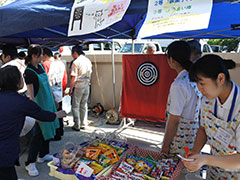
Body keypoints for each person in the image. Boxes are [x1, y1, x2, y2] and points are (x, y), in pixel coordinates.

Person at [0, 65, 66, 180]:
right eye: (21, 78)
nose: (23, 80)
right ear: (16, 82)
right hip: (5, 151)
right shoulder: (21, 101)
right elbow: (41, 114)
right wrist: (57, 114)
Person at [183, 54, 240, 179]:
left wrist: (206, 159)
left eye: (202, 83)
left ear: (220, 78)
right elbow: (203, 129)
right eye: (197, 84)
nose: (199, 88)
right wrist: (196, 152)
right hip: (213, 172)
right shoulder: (207, 100)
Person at [24, 44, 60, 176]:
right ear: (33, 56)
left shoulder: (40, 67)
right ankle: (30, 162)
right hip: (39, 105)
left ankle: (43, 154)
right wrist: (35, 113)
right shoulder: (28, 72)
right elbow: (31, 95)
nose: (42, 57)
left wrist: (54, 99)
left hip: (48, 103)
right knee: (38, 134)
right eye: (40, 55)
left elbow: (48, 86)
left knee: (48, 129)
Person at [161, 40, 201, 155]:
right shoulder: (195, 78)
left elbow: (174, 120)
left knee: (175, 168)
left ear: (171, 60)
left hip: (178, 138)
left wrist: (165, 146)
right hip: (193, 135)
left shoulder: (179, 84)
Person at [43, 47, 68, 140]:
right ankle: (60, 132)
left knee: (51, 114)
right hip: (59, 91)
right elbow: (64, 78)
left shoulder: (45, 64)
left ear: (45, 55)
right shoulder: (60, 64)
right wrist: (63, 90)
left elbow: (44, 81)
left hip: (50, 93)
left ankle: (53, 134)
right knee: (59, 113)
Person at [70, 45, 92, 131]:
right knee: (84, 105)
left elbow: (73, 77)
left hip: (78, 85)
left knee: (75, 106)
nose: (72, 56)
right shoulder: (88, 60)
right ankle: (84, 123)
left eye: (72, 54)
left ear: (75, 53)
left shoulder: (76, 62)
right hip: (87, 84)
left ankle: (77, 125)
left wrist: (71, 89)